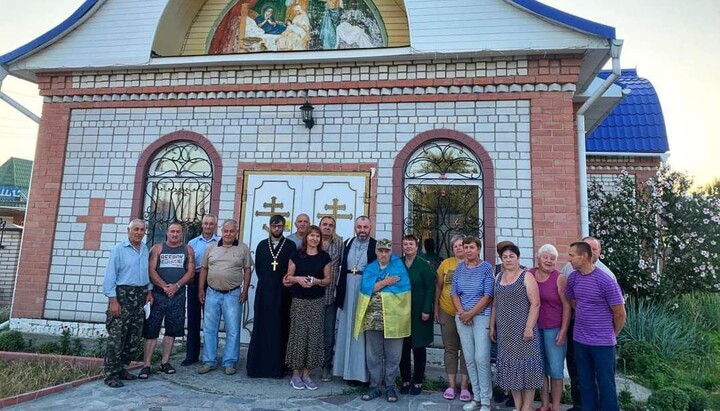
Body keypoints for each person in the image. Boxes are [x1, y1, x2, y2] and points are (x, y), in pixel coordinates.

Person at [565, 241, 626, 411]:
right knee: (585, 383)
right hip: (580, 340)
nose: (569, 260)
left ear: (584, 256)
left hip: (603, 343)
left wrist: (612, 333)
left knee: (606, 385)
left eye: (572, 256)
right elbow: (573, 301)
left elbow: (620, 313)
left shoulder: (606, 280)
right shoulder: (573, 278)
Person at [354, 239, 411, 403]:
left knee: (393, 356)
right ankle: (375, 386)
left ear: (390, 251)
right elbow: (367, 288)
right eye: (381, 251)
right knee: (373, 355)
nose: (384, 254)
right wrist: (386, 282)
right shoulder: (371, 268)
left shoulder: (398, 267)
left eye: (387, 251)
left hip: (394, 319)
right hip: (374, 319)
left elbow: (402, 288)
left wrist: (378, 285)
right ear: (377, 252)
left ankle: (390, 386)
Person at [490, 243, 543, 411]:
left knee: (527, 369)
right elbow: (495, 305)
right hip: (505, 333)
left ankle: (526, 407)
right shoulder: (498, 277)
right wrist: (492, 327)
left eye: (511, 256)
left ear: (518, 258)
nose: (508, 259)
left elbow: (536, 304)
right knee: (511, 369)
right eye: (505, 257)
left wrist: (528, 328)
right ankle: (518, 405)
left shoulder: (526, 276)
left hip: (524, 332)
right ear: (501, 260)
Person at [196, 219, 253, 376]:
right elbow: (204, 269)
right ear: (221, 231)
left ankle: (229, 362)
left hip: (233, 294)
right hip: (212, 293)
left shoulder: (243, 248)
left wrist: (245, 291)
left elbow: (247, 270)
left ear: (236, 232)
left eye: (231, 231)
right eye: (225, 231)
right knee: (209, 329)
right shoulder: (212, 247)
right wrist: (201, 289)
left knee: (233, 330)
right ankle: (209, 361)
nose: (228, 234)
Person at [139, 222, 195, 379]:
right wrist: (164, 286)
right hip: (158, 294)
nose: (175, 234)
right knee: (151, 330)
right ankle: (146, 365)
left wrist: (176, 286)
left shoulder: (188, 250)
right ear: (167, 233)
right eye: (172, 231)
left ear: (182, 233)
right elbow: (150, 270)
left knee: (172, 330)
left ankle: (165, 362)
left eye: (178, 232)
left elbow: (190, 272)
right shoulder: (157, 249)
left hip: (177, 295)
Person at [102, 219, 153, 388]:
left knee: (133, 337)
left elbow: (146, 273)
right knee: (118, 337)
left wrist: (149, 291)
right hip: (122, 296)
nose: (139, 232)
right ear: (128, 230)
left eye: (142, 229)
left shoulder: (145, 249)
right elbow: (110, 276)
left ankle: (123, 368)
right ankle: (110, 374)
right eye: (136, 229)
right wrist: (113, 301)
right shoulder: (118, 250)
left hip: (140, 296)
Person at [246, 215, 297, 378]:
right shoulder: (262, 245)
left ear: (284, 227)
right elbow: (259, 269)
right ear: (270, 226)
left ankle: (278, 367)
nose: (277, 228)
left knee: (280, 327)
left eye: (280, 226)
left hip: (283, 294)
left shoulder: (290, 245)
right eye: (274, 226)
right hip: (264, 292)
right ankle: (258, 366)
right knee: (262, 326)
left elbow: (292, 268)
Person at [282, 225, 331, 390]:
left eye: (317, 236)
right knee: (299, 336)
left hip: (316, 301)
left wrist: (317, 282)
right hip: (300, 301)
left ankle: (307, 374)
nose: (314, 239)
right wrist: (299, 279)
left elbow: (327, 280)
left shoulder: (324, 257)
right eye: (311, 236)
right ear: (306, 238)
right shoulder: (296, 255)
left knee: (314, 337)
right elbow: (288, 277)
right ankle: (296, 375)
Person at [451, 236, 495, 411]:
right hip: (462, 317)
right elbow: (454, 293)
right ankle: (476, 398)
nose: (468, 250)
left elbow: (488, 295)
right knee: (469, 359)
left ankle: (485, 400)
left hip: (481, 316)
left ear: (478, 249)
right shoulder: (459, 268)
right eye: (466, 247)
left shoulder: (486, 268)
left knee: (481, 358)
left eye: (472, 247)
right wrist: (462, 313)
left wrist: (470, 313)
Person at [333, 216, 376, 385]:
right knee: (346, 329)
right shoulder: (347, 243)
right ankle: (347, 372)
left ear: (370, 228)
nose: (362, 230)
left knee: (362, 332)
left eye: (365, 227)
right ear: (355, 228)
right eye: (359, 226)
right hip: (347, 288)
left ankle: (363, 374)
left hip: (365, 290)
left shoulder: (375, 245)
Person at [530, 244, 570, 411]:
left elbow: (567, 306)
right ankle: (544, 405)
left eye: (552, 258)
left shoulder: (559, 278)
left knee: (555, 369)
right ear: (538, 258)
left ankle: (555, 407)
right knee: (539, 368)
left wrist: (563, 330)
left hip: (554, 328)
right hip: (534, 328)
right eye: (545, 257)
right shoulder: (529, 275)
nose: (549, 261)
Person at [434, 234, 471, 401]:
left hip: (467, 313)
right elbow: (439, 287)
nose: (458, 247)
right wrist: (436, 308)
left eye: (461, 244)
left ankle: (464, 387)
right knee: (450, 349)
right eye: (455, 245)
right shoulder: (445, 264)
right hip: (447, 311)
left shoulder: (474, 264)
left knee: (466, 349)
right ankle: (451, 385)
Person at [399, 234, 435, 395]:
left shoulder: (423, 265)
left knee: (419, 347)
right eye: (405, 244)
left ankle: (418, 381)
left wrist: (427, 309)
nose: (408, 247)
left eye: (411, 244)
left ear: (416, 246)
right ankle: (405, 379)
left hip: (420, 312)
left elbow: (430, 288)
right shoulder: (397, 264)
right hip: (400, 312)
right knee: (403, 348)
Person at [183, 214, 220, 366]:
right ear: (202, 225)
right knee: (193, 319)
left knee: (211, 320)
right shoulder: (192, 243)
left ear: (215, 226)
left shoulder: (220, 242)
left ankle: (210, 356)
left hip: (212, 280)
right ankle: (192, 355)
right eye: (205, 223)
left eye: (211, 224)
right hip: (195, 280)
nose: (208, 226)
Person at [319, 216, 344, 381]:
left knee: (328, 334)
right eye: (325, 224)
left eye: (331, 225)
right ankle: (306, 365)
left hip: (329, 296)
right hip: (310, 295)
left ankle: (326, 366)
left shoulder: (339, 244)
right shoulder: (312, 241)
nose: (327, 227)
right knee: (311, 332)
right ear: (319, 226)